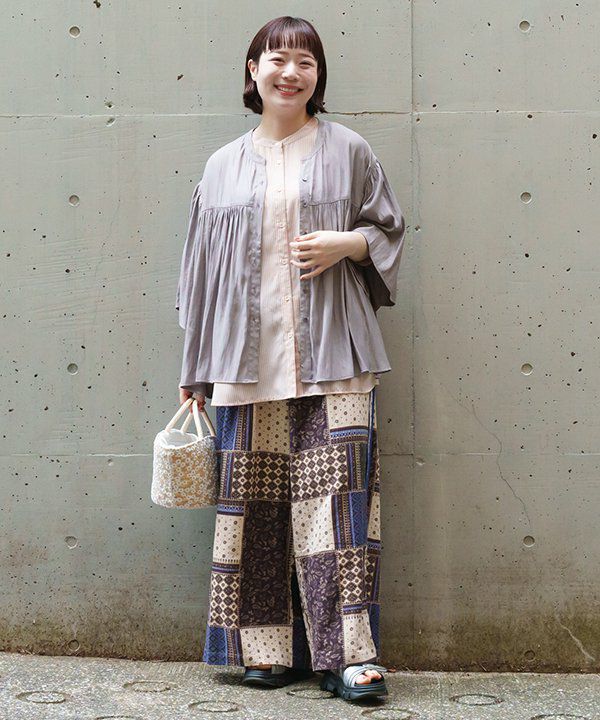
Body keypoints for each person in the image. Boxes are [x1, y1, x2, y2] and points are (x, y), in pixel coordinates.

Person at [176, 16, 405, 703]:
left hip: (337, 357)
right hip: (244, 363)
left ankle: (351, 657)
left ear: (317, 75)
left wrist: (348, 244)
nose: (291, 72)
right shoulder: (221, 166)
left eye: (305, 61)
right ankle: (265, 650)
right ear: (253, 70)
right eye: (277, 58)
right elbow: (200, 276)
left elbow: (387, 227)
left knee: (342, 513)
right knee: (255, 510)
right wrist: (195, 370)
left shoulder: (349, 149)